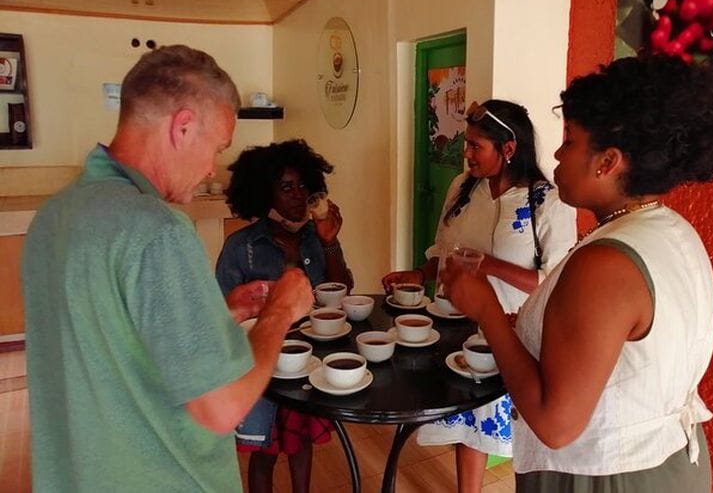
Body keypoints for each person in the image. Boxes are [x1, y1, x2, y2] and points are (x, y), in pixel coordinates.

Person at [22, 45, 313, 492]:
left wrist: (220, 315)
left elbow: (111, 342)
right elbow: (221, 408)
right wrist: (280, 312)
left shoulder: (53, 217)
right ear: (182, 126)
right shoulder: (156, 229)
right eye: (216, 148)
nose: (211, 168)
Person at [441, 55, 713, 492]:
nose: (556, 154)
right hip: (671, 462)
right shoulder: (671, 231)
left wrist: (485, 309)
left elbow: (555, 424)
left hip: (605, 477)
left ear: (607, 161)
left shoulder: (606, 263)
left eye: (570, 140)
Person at [382, 99, 576, 492]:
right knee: (469, 423)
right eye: (466, 144)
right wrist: (418, 274)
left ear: (508, 149)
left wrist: (489, 266)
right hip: (456, 327)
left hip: (514, 336)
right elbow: (442, 252)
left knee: (519, 432)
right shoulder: (462, 191)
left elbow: (555, 282)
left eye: (475, 146)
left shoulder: (546, 203)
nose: (465, 154)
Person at [216, 139, 354, 493]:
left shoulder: (315, 237)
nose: (298, 195)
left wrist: (329, 242)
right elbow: (223, 319)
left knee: (301, 444)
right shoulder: (241, 249)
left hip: (308, 362)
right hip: (262, 367)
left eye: (303, 186)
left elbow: (342, 291)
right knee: (263, 451)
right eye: (286, 187)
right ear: (264, 195)